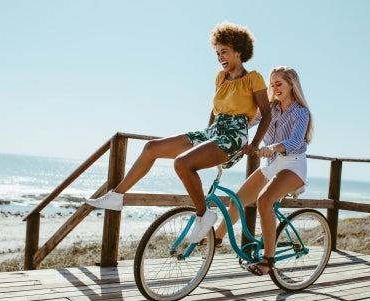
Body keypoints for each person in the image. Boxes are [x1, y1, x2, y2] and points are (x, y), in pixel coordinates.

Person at [86, 21, 272, 244]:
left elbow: (267, 114)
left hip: (234, 136)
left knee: (182, 163)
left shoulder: (254, 78)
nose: (220, 57)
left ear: (238, 51)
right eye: (217, 53)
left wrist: (255, 144)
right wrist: (206, 134)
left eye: (224, 52)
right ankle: (117, 196)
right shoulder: (220, 78)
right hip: (214, 131)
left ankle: (204, 215)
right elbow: (215, 110)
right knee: (151, 148)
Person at [210, 66, 313, 276]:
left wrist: (272, 147)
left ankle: (268, 260)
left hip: (293, 164)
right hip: (272, 163)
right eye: (272, 84)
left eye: (279, 84)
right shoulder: (272, 109)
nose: (275, 88)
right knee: (237, 200)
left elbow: (295, 141)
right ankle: (216, 240)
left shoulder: (301, 112)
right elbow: (249, 120)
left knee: (264, 201)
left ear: (291, 85)